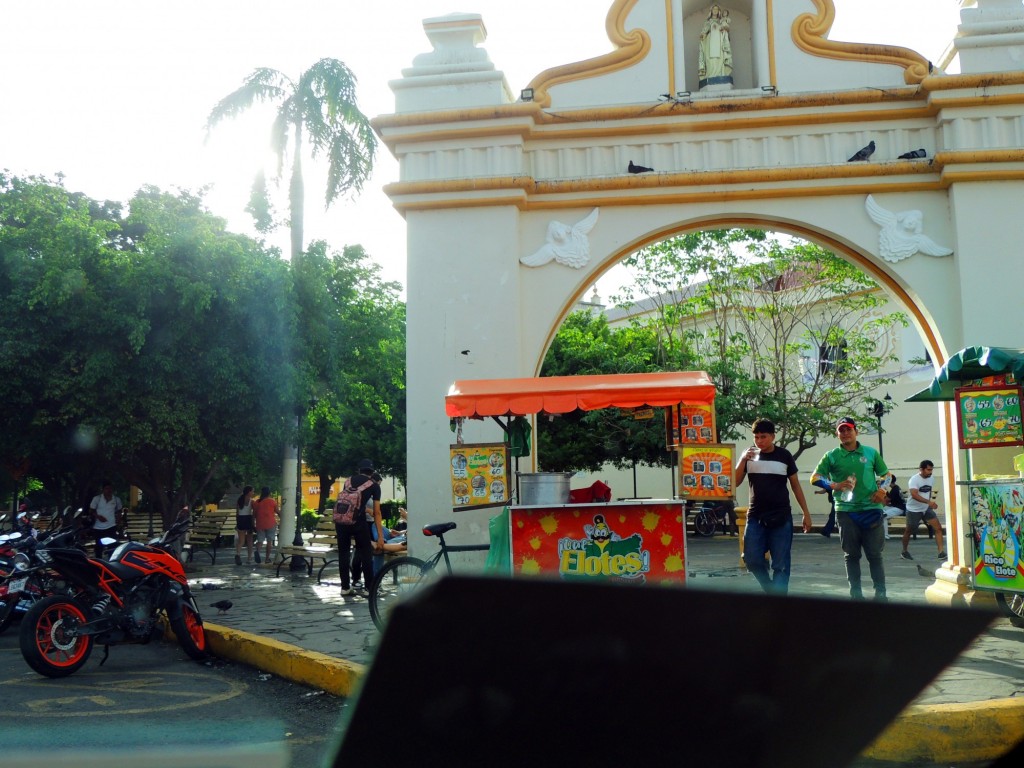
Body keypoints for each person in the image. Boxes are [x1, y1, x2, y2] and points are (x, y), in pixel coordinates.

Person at [811, 417, 890, 601]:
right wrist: (835, 485)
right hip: (845, 511)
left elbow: (886, 475)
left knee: (875, 555)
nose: (845, 433)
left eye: (849, 429)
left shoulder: (870, 453)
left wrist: (882, 490)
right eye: (841, 430)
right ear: (837, 434)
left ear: (856, 431)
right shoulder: (831, 455)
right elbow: (815, 478)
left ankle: (881, 594)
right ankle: (856, 595)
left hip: (872, 509)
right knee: (851, 555)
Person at [734, 418, 812, 595]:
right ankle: (770, 591)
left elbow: (795, 486)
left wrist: (806, 513)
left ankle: (778, 604)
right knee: (751, 559)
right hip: (755, 517)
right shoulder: (749, 455)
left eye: (763, 437)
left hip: (781, 517)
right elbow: (736, 482)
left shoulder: (784, 456)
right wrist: (742, 460)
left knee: (781, 565)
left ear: (773, 436)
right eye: (756, 437)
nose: (759, 441)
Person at [338, 459, 385, 597]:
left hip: (341, 521)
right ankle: (369, 588)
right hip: (358, 523)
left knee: (343, 554)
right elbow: (377, 512)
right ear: (372, 472)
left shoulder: (348, 481)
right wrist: (380, 537)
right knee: (366, 554)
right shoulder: (374, 485)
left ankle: (345, 587)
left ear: (359, 470)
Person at [901, 460, 947, 561]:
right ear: (921, 469)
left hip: (926, 509)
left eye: (931, 470)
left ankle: (941, 552)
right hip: (913, 510)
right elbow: (914, 494)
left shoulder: (931, 479)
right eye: (928, 470)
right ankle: (904, 551)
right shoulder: (914, 480)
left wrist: (929, 504)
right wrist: (928, 502)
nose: (930, 472)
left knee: (938, 528)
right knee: (909, 530)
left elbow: (928, 491)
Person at [698, 4, 733, 91]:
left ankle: (721, 75)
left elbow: (727, 31)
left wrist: (723, 27)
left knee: (719, 60)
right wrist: (703, 35)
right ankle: (710, 75)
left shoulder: (721, 21)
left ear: (719, 12)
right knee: (710, 60)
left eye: (717, 9)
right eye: (714, 9)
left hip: (719, 44)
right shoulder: (707, 22)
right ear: (711, 11)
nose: (715, 11)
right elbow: (704, 33)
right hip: (710, 44)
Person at [88, 481, 123, 558]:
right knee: (99, 548)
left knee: (112, 547)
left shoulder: (116, 499)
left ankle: (111, 563)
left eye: (110, 488)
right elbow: (91, 510)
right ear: (103, 490)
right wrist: (98, 516)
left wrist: (118, 520)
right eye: (107, 488)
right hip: (98, 527)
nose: (109, 490)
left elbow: (119, 511)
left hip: (111, 526)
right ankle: (99, 564)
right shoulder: (97, 499)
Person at [252, 486, 279, 565]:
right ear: (269, 493)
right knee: (269, 542)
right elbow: (277, 511)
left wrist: (253, 523)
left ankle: (258, 551)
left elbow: (254, 515)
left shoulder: (257, 502)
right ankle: (267, 559)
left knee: (260, 540)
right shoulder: (272, 501)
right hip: (270, 523)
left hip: (260, 524)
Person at [880, 474, 907, 541]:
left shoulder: (895, 490)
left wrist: (883, 490)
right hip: (896, 507)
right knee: (881, 510)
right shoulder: (896, 488)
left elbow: (888, 499)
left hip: (899, 509)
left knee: (884, 516)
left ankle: (885, 535)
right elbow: (891, 497)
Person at [235, 485, 255, 565]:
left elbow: (237, 513)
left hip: (240, 519)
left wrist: (237, 522)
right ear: (249, 492)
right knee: (250, 541)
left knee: (241, 540)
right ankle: (249, 558)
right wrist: (253, 523)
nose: (253, 493)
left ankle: (238, 554)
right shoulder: (251, 501)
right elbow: (253, 513)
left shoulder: (239, 500)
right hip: (248, 519)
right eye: (252, 491)